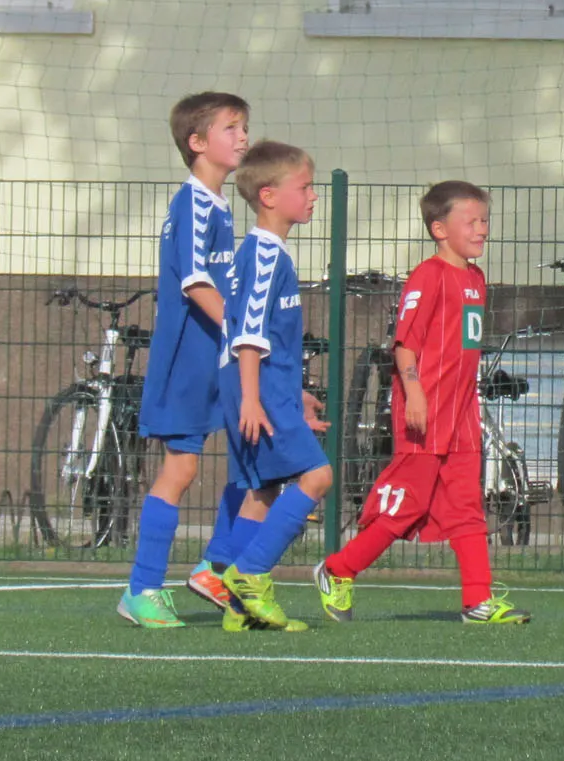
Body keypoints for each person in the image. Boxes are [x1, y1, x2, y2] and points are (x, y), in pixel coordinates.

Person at [312, 181, 529, 625]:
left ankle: (478, 601)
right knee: (405, 508)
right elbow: (405, 344)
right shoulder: (428, 276)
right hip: (425, 414)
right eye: (471, 221)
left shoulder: (475, 279)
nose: (482, 229)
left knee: (468, 508)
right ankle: (338, 569)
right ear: (439, 229)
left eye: (485, 220)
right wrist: (413, 394)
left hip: (462, 415)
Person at [117, 92, 250, 629]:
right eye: (230, 128)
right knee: (182, 468)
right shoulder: (192, 202)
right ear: (197, 143)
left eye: (244, 127)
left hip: (217, 354)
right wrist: (241, 333)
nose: (243, 137)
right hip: (188, 359)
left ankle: (214, 567)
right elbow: (195, 282)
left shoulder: (218, 204)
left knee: (254, 454)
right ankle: (142, 589)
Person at [207, 141, 335, 630]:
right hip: (255, 390)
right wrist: (254, 398)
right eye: (304, 187)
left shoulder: (266, 252)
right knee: (317, 476)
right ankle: (252, 574)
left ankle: (239, 610)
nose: (313, 196)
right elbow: (247, 334)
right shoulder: (264, 255)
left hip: (260, 386)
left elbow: (262, 337)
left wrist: (290, 392)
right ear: (268, 195)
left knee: (260, 489)